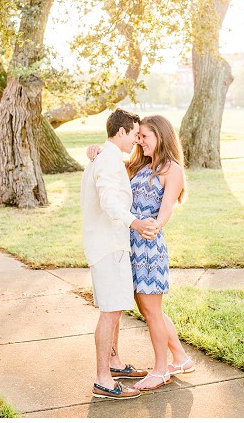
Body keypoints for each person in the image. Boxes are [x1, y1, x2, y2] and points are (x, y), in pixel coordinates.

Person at [87, 114, 194, 391]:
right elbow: (110, 167)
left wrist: (155, 225)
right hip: (129, 244)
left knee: (151, 311)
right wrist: (97, 150)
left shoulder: (173, 170)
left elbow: (167, 206)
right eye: (137, 135)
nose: (139, 140)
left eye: (144, 136)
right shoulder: (137, 165)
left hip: (148, 245)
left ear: (160, 136)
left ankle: (161, 370)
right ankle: (180, 357)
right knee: (149, 309)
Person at [80, 108, 159, 400]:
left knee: (114, 311)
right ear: (122, 132)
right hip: (108, 245)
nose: (137, 141)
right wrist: (134, 222)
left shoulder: (107, 157)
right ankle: (103, 380)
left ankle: (114, 363)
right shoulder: (107, 161)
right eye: (135, 135)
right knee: (110, 312)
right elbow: (110, 200)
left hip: (112, 245)